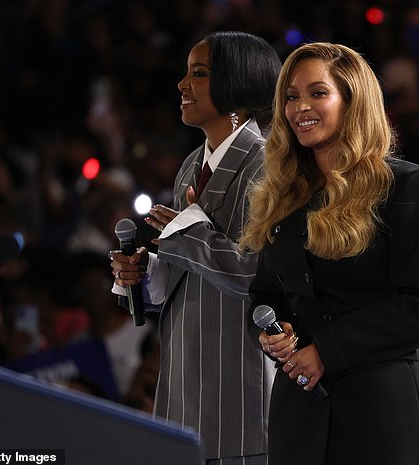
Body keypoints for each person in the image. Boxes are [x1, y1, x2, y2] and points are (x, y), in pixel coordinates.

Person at [239, 42, 419, 465]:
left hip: (384, 413)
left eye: (317, 93)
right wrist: (272, 331)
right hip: (300, 413)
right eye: (291, 96)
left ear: (353, 100)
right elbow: (265, 294)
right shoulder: (282, 198)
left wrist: (326, 350)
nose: (300, 106)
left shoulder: (408, 188)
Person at [109, 31, 281, 465]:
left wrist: (187, 235)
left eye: (199, 74)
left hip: (237, 392)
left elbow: (258, 273)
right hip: (184, 382)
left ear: (238, 86)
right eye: (187, 73)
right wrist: (146, 271)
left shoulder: (266, 165)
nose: (182, 85)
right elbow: (186, 265)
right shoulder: (190, 165)